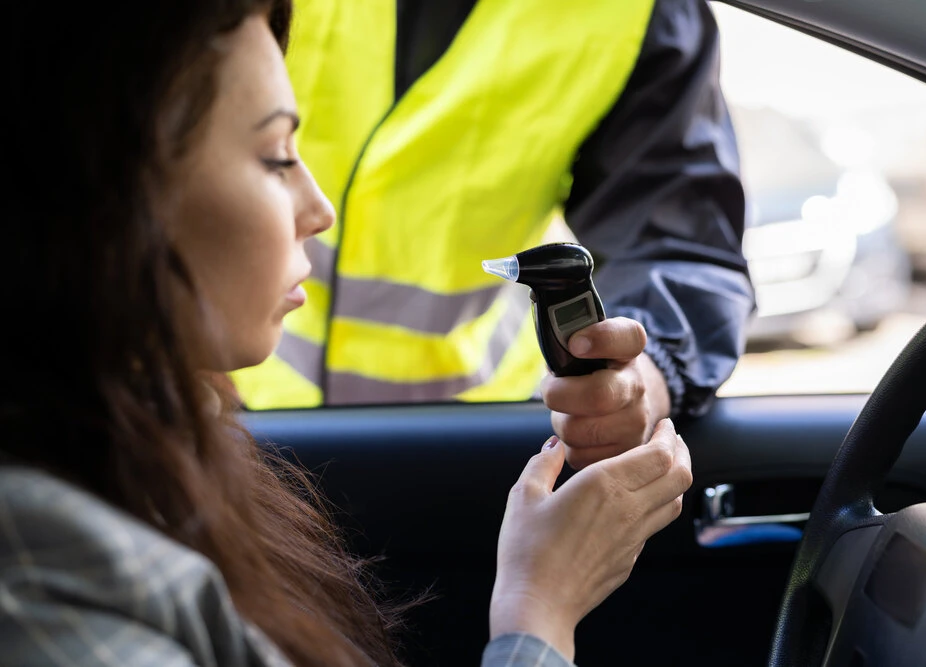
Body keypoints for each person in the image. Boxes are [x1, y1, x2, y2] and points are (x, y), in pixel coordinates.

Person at [1, 1, 693, 666]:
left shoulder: (149, 470)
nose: (318, 209)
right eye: (276, 155)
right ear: (109, 193)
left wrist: (641, 370)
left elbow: (684, 237)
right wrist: (537, 618)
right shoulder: (39, 573)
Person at [232, 0, 755, 467]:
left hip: (486, 447)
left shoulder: (641, 12)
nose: (316, 213)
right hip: (235, 421)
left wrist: (635, 381)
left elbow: (680, 241)